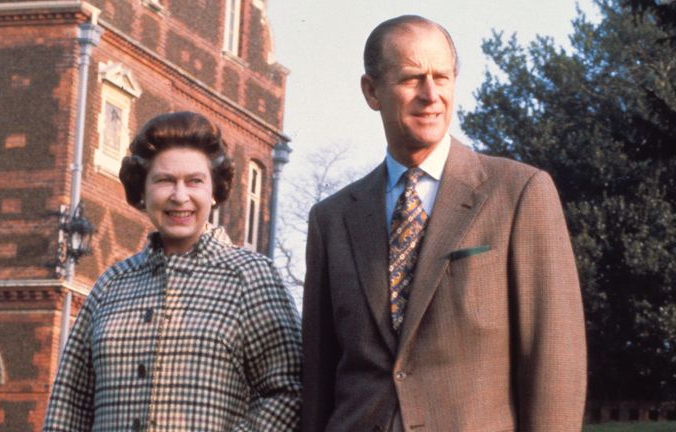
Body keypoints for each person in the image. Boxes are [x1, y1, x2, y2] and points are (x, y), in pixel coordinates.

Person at [301, 15, 587, 432]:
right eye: (412, 78)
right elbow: (319, 376)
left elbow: (554, 359)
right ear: (371, 91)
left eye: (443, 77)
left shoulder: (519, 193)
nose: (431, 95)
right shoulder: (332, 219)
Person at [43, 111, 302, 431]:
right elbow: (69, 403)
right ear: (143, 188)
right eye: (164, 180)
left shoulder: (251, 278)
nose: (180, 196)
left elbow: (289, 392)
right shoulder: (112, 284)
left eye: (194, 181)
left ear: (214, 190)